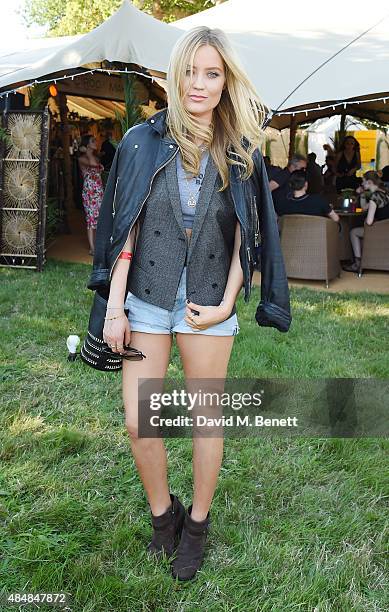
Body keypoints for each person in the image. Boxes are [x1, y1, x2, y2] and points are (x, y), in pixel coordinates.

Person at [87, 26, 291, 582]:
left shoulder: (242, 153)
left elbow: (244, 239)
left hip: (205, 299)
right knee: (138, 420)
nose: (199, 84)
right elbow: (123, 225)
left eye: (212, 73)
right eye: (191, 71)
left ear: (226, 83)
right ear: (175, 75)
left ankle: (197, 524)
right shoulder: (140, 140)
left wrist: (228, 304)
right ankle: (163, 516)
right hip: (146, 297)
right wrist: (114, 306)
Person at [343, 171, 389, 272]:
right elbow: (364, 208)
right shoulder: (384, 193)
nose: (362, 184)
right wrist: (363, 195)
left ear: (369, 182)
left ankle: (358, 263)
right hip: (386, 230)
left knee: (353, 232)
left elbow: (369, 222)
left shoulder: (374, 197)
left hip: (379, 231)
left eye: (363, 182)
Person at [78, 134, 104, 256]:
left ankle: (97, 245)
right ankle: (92, 248)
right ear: (87, 145)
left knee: (99, 218)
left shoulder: (95, 157)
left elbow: (96, 165)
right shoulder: (82, 158)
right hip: (90, 192)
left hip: (98, 191)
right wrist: (87, 152)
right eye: (93, 141)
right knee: (91, 219)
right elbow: (93, 165)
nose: (96, 142)